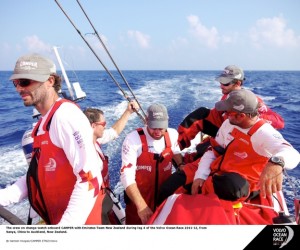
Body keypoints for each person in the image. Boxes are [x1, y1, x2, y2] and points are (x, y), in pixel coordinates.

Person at [157, 65, 285, 205]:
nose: (221, 85)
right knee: (201, 118)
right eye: (221, 81)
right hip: (225, 133)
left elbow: (280, 124)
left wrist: (257, 116)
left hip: (239, 139)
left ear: (238, 83)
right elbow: (216, 126)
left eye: (225, 82)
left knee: (216, 167)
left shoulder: (253, 106)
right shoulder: (227, 101)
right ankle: (172, 147)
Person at [0, 53, 104, 225]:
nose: (19, 88)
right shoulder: (43, 125)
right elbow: (36, 175)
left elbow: (90, 180)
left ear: (50, 81)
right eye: (15, 83)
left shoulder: (66, 116)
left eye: (25, 82)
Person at [190, 89, 300, 224]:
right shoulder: (228, 124)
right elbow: (213, 150)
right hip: (219, 174)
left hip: (240, 185)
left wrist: (276, 162)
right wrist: (200, 175)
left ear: (241, 116)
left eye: (228, 112)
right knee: (171, 186)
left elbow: (292, 153)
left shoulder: (264, 133)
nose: (224, 115)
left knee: (231, 186)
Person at [120, 103, 183, 224]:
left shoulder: (173, 135)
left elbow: (175, 151)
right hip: (139, 201)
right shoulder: (132, 140)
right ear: (146, 121)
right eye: (154, 127)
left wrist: (181, 165)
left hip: (163, 199)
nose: (158, 132)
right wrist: (141, 206)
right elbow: (126, 176)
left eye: (161, 128)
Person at [83, 100, 139, 224]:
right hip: (95, 201)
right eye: (103, 123)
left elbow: (114, 132)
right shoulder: (84, 153)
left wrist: (128, 111)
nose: (105, 126)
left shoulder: (95, 139)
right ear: (93, 126)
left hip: (106, 193)